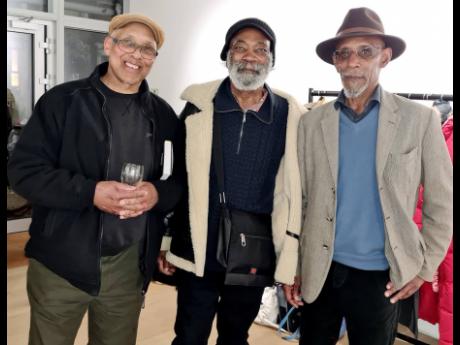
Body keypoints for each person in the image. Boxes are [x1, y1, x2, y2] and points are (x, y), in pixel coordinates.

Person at [7, 13, 184, 345]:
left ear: (154, 59)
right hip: (60, 263)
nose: (136, 55)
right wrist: (90, 192)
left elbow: (177, 183)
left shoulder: (162, 115)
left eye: (148, 49)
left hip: (128, 266)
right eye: (128, 43)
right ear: (108, 45)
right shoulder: (63, 102)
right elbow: (24, 173)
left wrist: (156, 194)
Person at [284, 7, 453, 345]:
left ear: (385, 57)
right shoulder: (311, 123)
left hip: (382, 277)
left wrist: (424, 268)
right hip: (321, 269)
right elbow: (299, 200)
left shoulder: (419, 120)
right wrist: (293, 265)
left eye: (366, 51)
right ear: (335, 61)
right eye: (344, 53)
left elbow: (442, 203)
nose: (353, 62)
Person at [157, 17, 304, 345]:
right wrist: (167, 241)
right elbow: (176, 178)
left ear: (271, 61)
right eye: (240, 48)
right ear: (227, 56)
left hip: (253, 249)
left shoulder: (289, 114)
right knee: (189, 334)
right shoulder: (199, 105)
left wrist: (292, 257)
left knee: (236, 336)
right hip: (199, 246)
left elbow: (294, 193)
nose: (249, 56)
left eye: (260, 50)